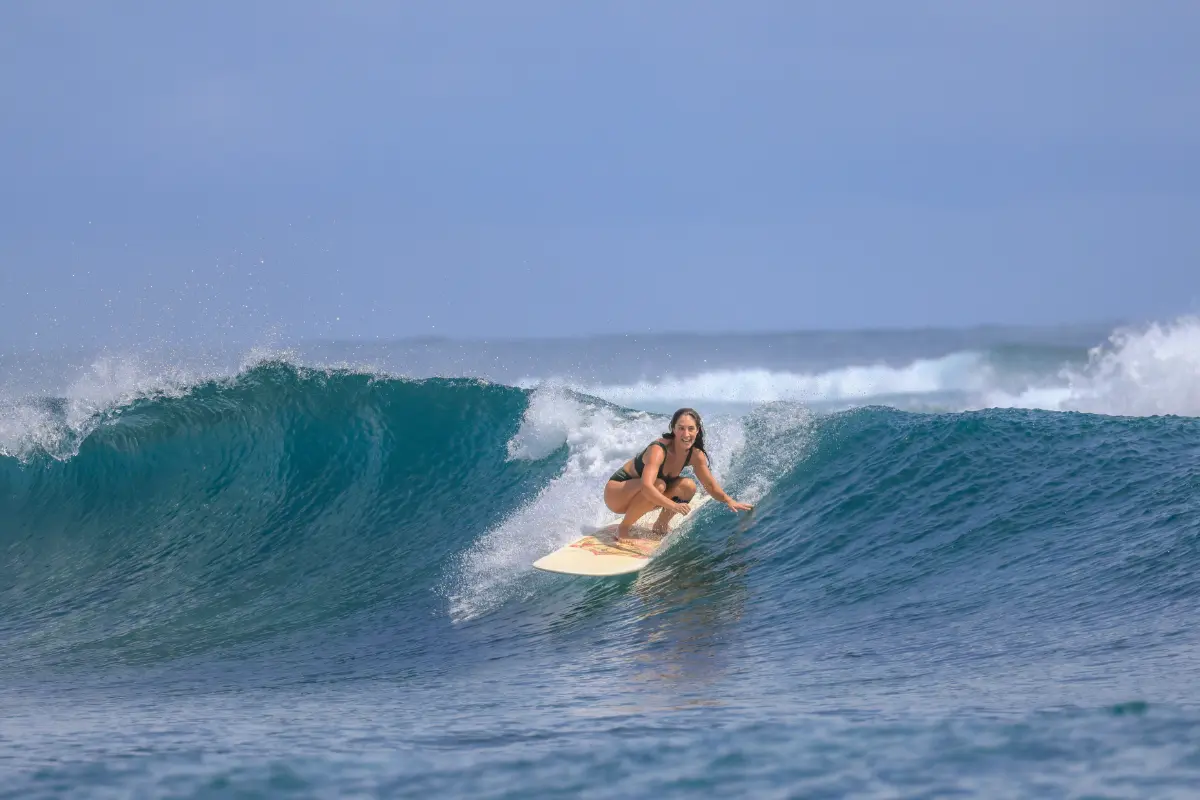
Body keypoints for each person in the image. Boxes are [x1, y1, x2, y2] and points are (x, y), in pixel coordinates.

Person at [604, 407, 753, 540]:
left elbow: (709, 485)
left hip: (644, 497)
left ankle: (660, 525)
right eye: (681, 428)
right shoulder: (658, 450)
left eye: (691, 428)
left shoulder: (695, 455)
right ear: (673, 429)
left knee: (688, 486)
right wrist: (673, 505)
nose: (686, 434)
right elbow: (646, 487)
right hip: (616, 495)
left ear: (697, 430)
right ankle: (623, 528)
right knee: (659, 484)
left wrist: (728, 500)